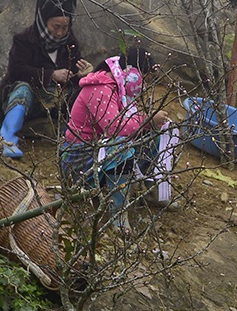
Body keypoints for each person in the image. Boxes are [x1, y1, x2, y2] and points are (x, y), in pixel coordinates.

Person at [61, 45, 178, 223]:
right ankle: (118, 214)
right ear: (132, 73)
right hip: (79, 160)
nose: (145, 85)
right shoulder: (101, 88)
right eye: (145, 79)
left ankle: (152, 191)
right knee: (122, 147)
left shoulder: (119, 90)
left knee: (155, 135)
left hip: (97, 152)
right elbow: (114, 128)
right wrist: (148, 120)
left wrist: (150, 123)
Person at [0, 0, 91, 158]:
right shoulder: (24, 40)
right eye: (56, 27)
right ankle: (8, 139)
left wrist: (82, 73)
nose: (60, 33)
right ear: (43, 20)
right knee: (23, 89)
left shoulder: (70, 42)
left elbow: (72, 72)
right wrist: (51, 75)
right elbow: (16, 71)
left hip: (54, 103)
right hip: (27, 99)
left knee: (83, 92)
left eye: (65, 27)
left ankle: (73, 137)